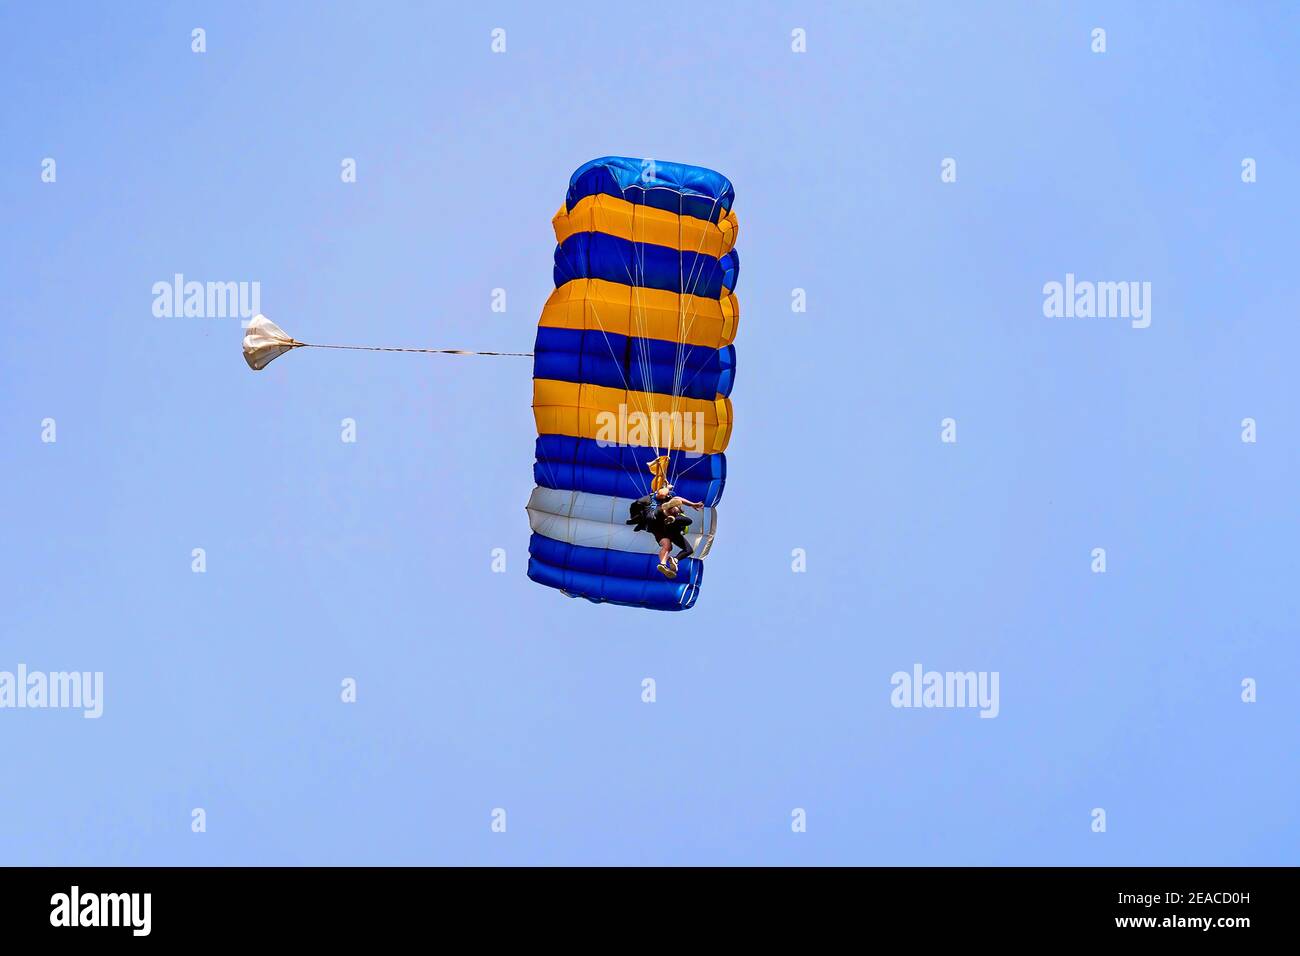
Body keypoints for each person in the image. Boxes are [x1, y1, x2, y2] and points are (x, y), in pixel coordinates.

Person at [626, 484, 705, 579]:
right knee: (670, 509)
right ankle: (667, 513)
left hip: (657, 528)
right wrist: (667, 488)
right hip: (655, 515)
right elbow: (665, 494)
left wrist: (691, 505)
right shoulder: (657, 497)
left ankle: (663, 564)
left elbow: (680, 505)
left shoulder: (677, 513)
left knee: (667, 546)